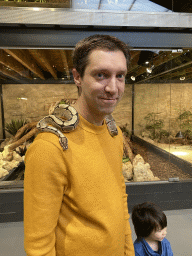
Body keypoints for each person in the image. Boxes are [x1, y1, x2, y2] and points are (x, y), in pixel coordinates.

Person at [24, 34, 135, 256]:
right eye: (101, 75)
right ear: (77, 77)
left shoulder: (114, 133)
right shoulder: (50, 146)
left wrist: (128, 250)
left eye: (120, 76)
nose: (113, 88)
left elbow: (119, 199)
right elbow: (39, 244)